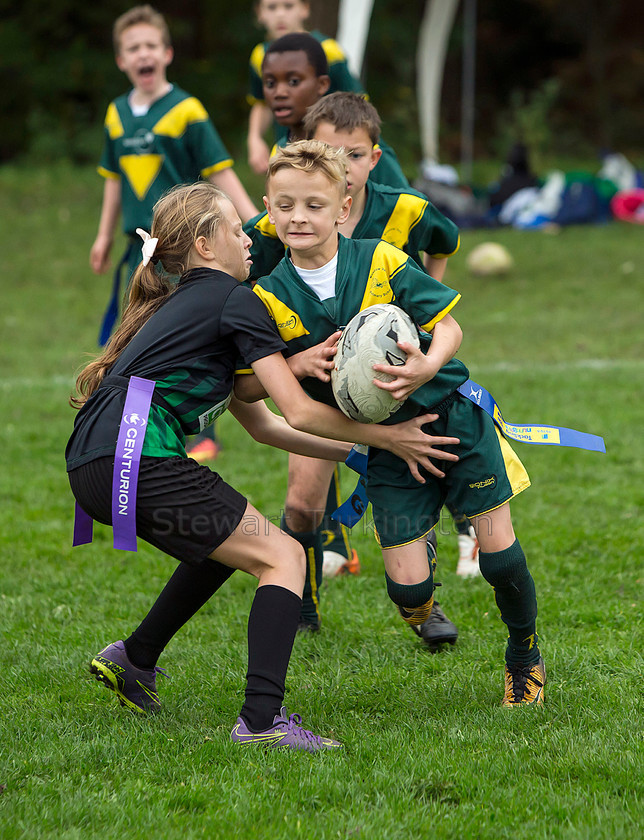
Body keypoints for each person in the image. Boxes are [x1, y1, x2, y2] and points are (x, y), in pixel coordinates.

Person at [67, 181, 462, 749]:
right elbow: (299, 411)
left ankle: (134, 658)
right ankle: (260, 722)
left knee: (226, 545)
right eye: (236, 228)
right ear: (206, 245)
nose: (254, 236)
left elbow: (263, 424)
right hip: (138, 458)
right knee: (281, 554)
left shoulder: (191, 304)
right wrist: (392, 436)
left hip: (96, 463)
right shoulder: (237, 299)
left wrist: (361, 453)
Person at [235, 141, 546, 706]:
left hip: (451, 418)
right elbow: (245, 386)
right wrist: (294, 363)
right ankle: (419, 573)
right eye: (285, 206)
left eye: (313, 204)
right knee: (409, 592)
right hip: (386, 445)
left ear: (342, 207)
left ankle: (524, 654)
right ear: (267, 209)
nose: (299, 217)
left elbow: (447, 325)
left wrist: (429, 361)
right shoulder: (266, 297)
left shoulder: (380, 259)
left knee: (498, 557)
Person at [243, 93, 473, 642]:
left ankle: (423, 598)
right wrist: (290, 357)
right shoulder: (281, 219)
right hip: (317, 385)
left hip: (397, 377)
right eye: (329, 151)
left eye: (354, 154)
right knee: (302, 500)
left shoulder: (405, 210)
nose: (342, 164)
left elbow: (442, 244)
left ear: (374, 156)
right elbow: (236, 275)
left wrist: (415, 332)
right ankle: (301, 599)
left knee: (420, 473)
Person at [90, 4, 259, 346]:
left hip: (186, 249)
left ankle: (184, 395)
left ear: (167, 53)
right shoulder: (116, 114)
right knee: (136, 339)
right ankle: (135, 401)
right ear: (121, 60)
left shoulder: (187, 110)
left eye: (151, 46)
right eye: (133, 48)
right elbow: (114, 179)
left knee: (183, 337)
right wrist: (104, 235)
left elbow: (219, 171)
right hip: (142, 250)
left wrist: (256, 220)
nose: (143, 54)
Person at [261, 32, 409, 189]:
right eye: (270, 83)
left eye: (293, 81)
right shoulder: (280, 151)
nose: (279, 93)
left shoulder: (361, 147)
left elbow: (406, 206)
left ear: (322, 84)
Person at [247, 0, 362, 175]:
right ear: (259, 13)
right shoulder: (260, 56)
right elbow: (261, 103)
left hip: (334, 151)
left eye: (288, 6)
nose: (280, 14)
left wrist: (354, 149)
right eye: (271, 7)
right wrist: (254, 139)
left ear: (305, 9)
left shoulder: (328, 50)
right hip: (289, 148)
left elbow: (358, 103)